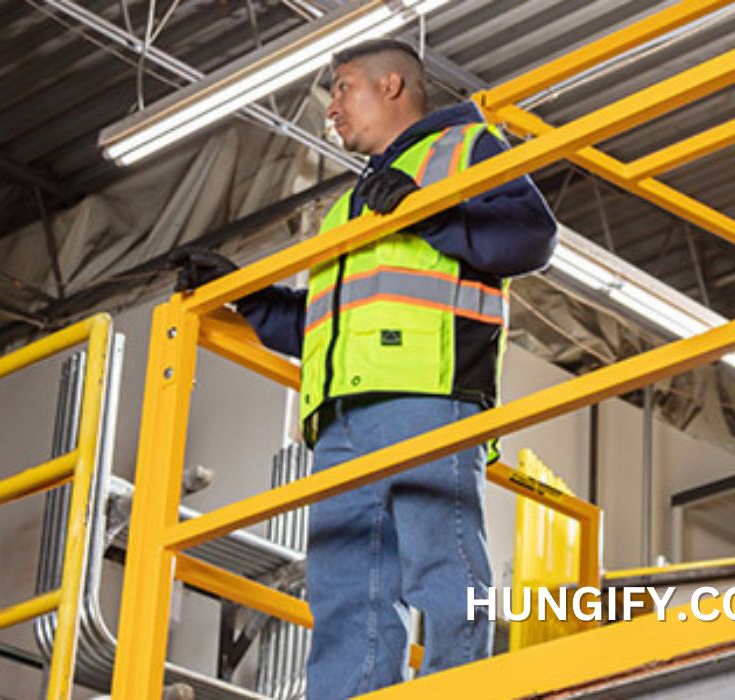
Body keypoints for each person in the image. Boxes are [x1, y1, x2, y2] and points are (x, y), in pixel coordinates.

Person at [169, 39, 557, 698]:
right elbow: (322, 325)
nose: (332, 109)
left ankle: (461, 689)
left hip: (427, 392)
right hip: (341, 420)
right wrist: (249, 294)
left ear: (394, 85)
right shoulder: (353, 204)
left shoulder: (466, 148)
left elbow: (530, 238)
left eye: (343, 88)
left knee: (443, 564)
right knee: (344, 587)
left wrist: (427, 209)